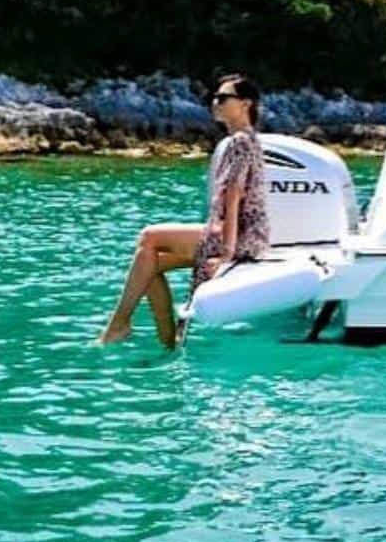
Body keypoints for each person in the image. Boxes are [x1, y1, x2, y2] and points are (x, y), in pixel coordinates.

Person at [96, 73, 271, 347]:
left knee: (148, 237)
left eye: (223, 98)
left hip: (239, 238)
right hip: (239, 235)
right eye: (214, 97)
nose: (216, 102)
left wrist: (226, 253)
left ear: (245, 104)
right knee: (146, 261)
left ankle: (119, 325)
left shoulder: (240, 141)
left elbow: (233, 198)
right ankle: (168, 343)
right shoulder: (244, 140)